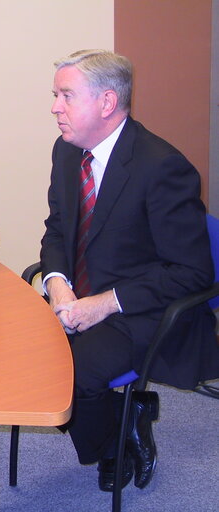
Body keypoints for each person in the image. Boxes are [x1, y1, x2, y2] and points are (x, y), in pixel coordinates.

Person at [41, 49, 219, 492]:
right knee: (32, 366)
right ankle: (125, 415)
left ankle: (116, 443)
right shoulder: (67, 153)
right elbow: (56, 232)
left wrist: (102, 305)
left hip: (143, 305)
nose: (54, 107)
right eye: (55, 95)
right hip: (80, 295)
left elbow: (193, 272)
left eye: (66, 95)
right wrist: (58, 284)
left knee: (76, 377)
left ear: (106, 102)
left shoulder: (162, 167)